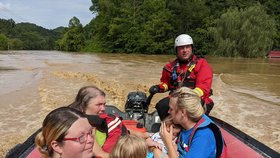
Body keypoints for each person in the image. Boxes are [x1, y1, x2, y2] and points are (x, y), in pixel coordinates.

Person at [149, 34, 214, 116]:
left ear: (192, 48)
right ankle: (168, 126)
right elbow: (167, 84)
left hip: (197, 99)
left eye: (187, 47)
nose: (185, 50)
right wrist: (159, 87)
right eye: (181, 48)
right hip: (176, 98)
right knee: (161, 106)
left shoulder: (201, 64)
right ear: (176, 50)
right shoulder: (169, 67)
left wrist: (185, 97)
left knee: (186, 111)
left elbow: (203, 88)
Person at [160, 87, 226, 158]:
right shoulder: (183, 125)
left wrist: (168, 143)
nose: (168, 111)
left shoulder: (203, 137)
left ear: (183, 112)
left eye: (171, 109)